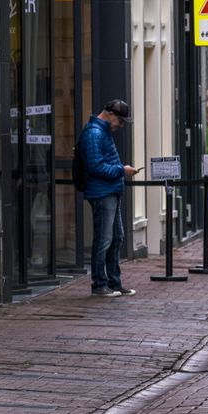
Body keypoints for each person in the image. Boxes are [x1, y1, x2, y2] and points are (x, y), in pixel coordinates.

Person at [78, 100, 140, 297]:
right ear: (111, 114)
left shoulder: (101, 132)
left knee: (116, 237)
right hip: (102, 193)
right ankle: (99, 284)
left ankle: (113, 283)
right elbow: (96, 167)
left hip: (110, 192)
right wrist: (122, 170)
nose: (120, 126)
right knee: (104, 240)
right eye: (120, 121)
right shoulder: (95, 133)